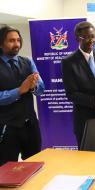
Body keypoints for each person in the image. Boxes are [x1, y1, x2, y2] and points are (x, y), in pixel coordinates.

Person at [61, 21, 95, 148]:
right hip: (85, 121)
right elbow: (71, 94)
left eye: (93, 36)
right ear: (77, 39)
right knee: (88, 162)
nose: (91, 40)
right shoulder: (68, 62)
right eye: (86, 37)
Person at [0, 25, 45, 165]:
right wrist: (19, 90)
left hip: (31, 125)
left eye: (18, 40)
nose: (16, 44)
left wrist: (32, 87)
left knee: (35, 165)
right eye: (11, 41)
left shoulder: (28, 61)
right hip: (7, 128)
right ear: (1, 44)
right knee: (7, 172)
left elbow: (41, 88)